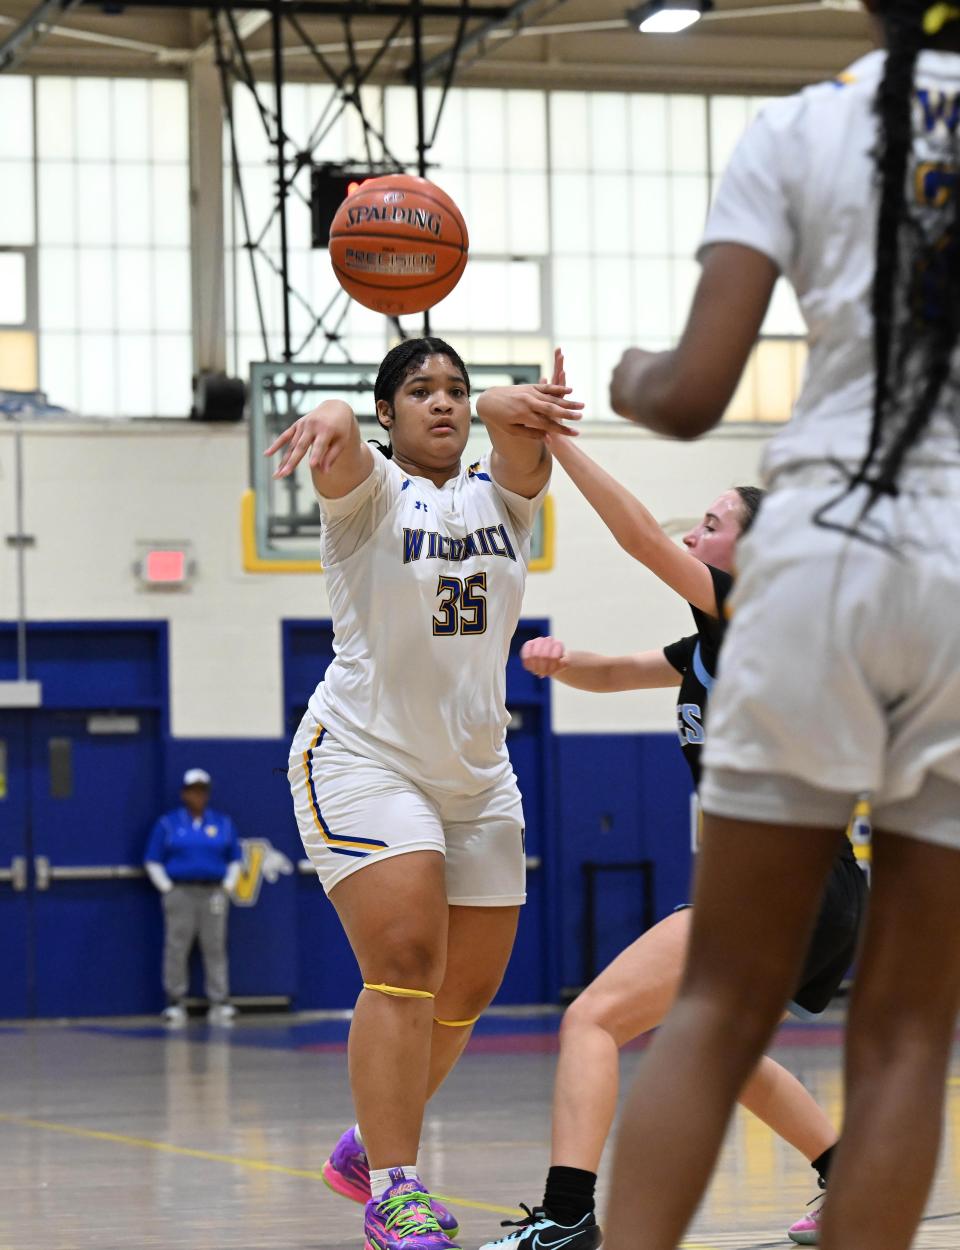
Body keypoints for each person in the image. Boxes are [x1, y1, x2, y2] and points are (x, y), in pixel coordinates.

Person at [600, 8, 960, 1250]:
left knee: (717, 1002)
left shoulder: (802, 125)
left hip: (825, 549)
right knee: (910, 1026)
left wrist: (629, 373)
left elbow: (694, 392)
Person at [479, 433, 865, 1250]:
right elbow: (619, 671)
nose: (696, 536)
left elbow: (642, 540)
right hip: (808, 888)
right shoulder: (715, 648)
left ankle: (565, 1217)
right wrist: (557, 660)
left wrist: (559, 447)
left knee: (591, 1020)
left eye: (715, 523)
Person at [266, 339, 581, 1250]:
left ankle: (368, 1144)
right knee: (405, 958)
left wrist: (510, 407)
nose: (441, 403)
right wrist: (330, 421)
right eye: (418, 391)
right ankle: (396, 1192)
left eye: (456, 389)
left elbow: (524, 446)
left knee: (467, 989)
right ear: (387, 414)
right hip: (364, 755)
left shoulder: (504, 498)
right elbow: (342, 454)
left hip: (477, 772)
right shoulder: (368, 497)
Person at [144, 768, 242, 1027]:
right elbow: (153, 860)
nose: (198, 795)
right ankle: (176, 1001)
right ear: (184, 793)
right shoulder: (169, 823)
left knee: (215, 946)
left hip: (213, 892)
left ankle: (219, 1002)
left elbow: (235, 858)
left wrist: (227, 886)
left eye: (202, 790)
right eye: (193, 790)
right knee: (177, 946)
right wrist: (167, 888)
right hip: (181, 892)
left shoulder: (222, 823)